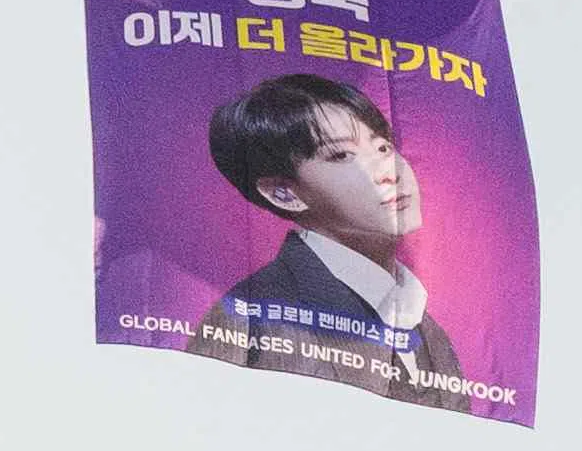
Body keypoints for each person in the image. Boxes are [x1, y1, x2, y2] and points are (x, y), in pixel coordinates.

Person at [188, 72, 463, 396]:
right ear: (284, 193)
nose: (388, 172)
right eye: (342, 155)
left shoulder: (428, 330)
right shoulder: (246, 315)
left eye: (383, 147)